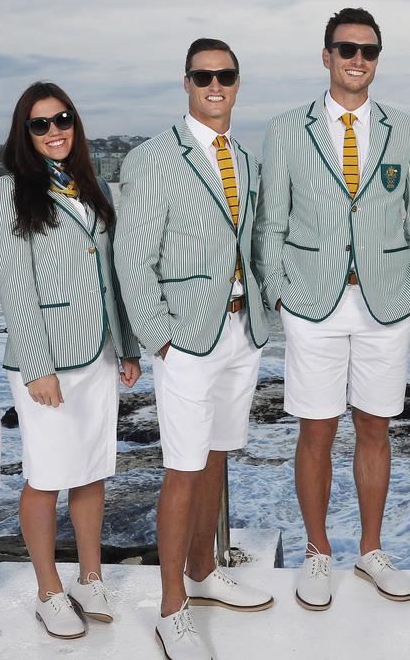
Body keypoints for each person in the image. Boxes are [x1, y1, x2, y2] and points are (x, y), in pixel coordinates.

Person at [254, 7, 410, 611]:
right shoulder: (288, 129)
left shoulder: (404, 129)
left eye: (369, 50)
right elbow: (269, 219)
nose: (358, 59)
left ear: (377, 59)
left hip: (387, 301)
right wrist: (280, 291)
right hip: (312, 302)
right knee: (316, 428)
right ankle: (317, 551)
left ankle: (372, 551)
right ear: (326, 55)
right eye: (346, 48)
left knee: (376, 426)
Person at [115, 39, 272, 660]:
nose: (215, 85)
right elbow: (133, 255)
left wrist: (267, 301)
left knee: (215, 456)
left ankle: (205, 574)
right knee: (182, 466)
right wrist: (158, 337)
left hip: (239, 330)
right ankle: (171, 607)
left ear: (237, 83)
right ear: (186, 82)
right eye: (203, 76)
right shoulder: (154, 158)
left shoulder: (246, 159)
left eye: (225, 76)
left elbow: (252, 244)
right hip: (186, 337)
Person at [0, 82, 141, 639]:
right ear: (23, 134)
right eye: (40, 124)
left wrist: (125, 345)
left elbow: (111, 274)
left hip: (97, 354)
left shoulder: (90, 186)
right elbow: (14, 284)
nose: (54, 131)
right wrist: (37, 366)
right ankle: (49, 588)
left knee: (94, 468)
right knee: (47, 476)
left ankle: (90, 577)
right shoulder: (10, 192)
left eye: (62, 119)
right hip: (46, 358)